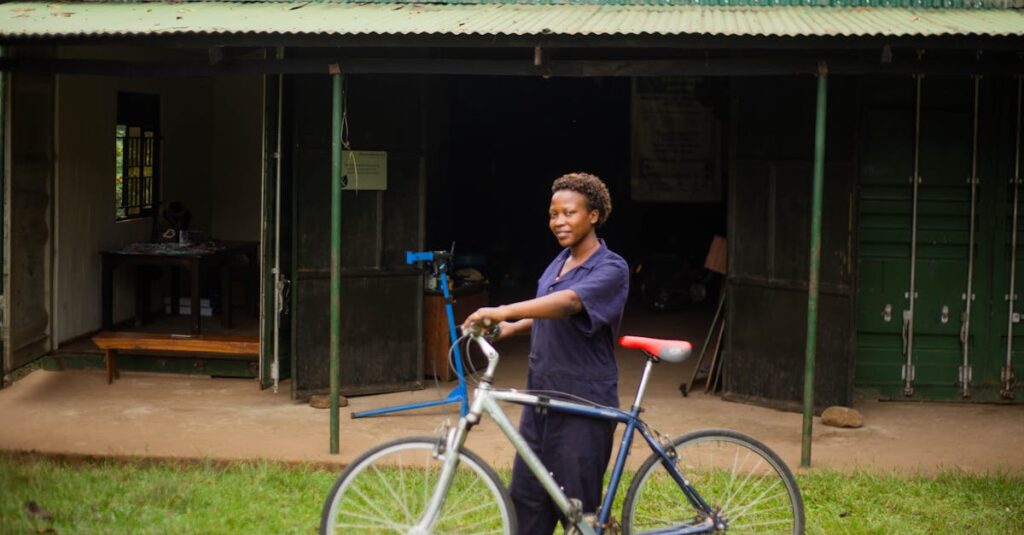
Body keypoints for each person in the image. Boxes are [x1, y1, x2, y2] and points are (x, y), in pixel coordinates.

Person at [462, 172, 630, 535]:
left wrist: (505, 310)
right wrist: (512, 326)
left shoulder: (611, 267)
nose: (558, 222)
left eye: (569, 213)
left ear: (594, 215)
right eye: (553, 214)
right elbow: (548, 313)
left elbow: (570, 303)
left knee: (579, 512)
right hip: (541, 396)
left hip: (582, 397)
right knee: (527, 500)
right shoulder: (559, 262)